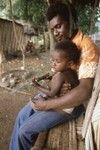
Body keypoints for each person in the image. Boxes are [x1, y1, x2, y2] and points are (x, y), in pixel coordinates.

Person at [9, 2, 98, 150]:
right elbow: (59, 72)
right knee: (21, 116)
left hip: (70, 106)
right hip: (55, 96)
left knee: (24, 132)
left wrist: (48, 104)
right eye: (53, 29)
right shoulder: (66, 44)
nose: (56, 32)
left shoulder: (86, 45)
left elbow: (85, 90)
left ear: (71, 21)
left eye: (59, 26)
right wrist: (56, 81)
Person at [31, 40, 80, 114]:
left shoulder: (60, 75)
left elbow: (51, 93)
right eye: (53, 60)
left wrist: (37, 85)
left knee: (36, 102)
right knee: (40, 98)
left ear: (70, 63)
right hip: (71, 104)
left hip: (65, 108)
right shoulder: (72, 72)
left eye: (57, 62)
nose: (53, 64)